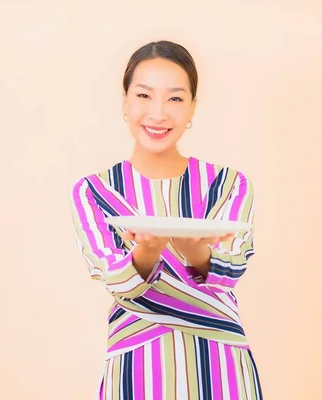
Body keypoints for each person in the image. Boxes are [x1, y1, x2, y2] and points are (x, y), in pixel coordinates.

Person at [69, 40, 262, 400]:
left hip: (221, 364)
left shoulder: (227, 185)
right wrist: (146, 253)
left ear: (192, 108)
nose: (158, 113)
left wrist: (195, 251)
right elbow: (116, 279)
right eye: (144, 95)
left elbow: (233, 268)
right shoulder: (93, 191)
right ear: (125, 102)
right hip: (136, 366)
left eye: (175, 98)